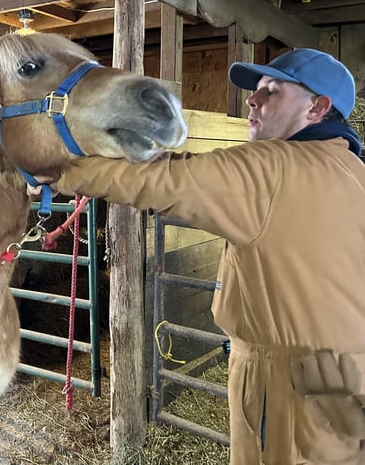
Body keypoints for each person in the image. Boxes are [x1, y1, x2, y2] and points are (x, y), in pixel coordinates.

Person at [53, 48, 365, 464]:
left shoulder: (272, 167)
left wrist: (55, 167)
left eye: (271, 91)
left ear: (318, 107)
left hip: (288, 385)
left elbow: (162, 178)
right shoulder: (354, 173)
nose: (253, 101)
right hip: (349, 382)